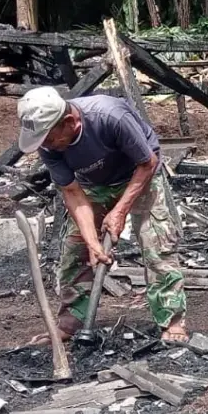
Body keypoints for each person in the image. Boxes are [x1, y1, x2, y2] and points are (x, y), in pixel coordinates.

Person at [15, 88, 188, 344]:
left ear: (70, 123)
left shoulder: (110, 116)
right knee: (74, 249)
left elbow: (148, 163)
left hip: (139, 174)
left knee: (156, 244)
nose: (46, 147)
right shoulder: (47, 144)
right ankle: (69, 324)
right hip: (91, 185)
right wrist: (93, 243)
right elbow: (73, 193)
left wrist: (119, 212)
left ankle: (172, 320)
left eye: (50, 139)